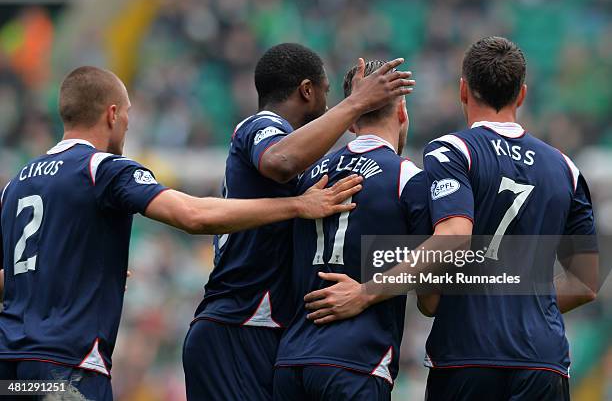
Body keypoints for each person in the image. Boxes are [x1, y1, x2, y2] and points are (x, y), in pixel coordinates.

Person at [0, 66, 365, 400]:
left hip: (11, 367)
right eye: (127, 113)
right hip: (67, 364)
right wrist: (297, 205)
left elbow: (10, 279)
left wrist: (79, 274)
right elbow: (194, 216)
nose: (128, 124)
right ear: (112, 114)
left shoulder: (16, 184)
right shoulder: (102, 169)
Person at [303, 37, 599, 401]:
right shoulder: (566, 168)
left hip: (466, 357)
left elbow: (447, 253)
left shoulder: (452, 152)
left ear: (463, 90)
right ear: (521, 95)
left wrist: (367, 291)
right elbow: (586, 282)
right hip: (544, 361)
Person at [182, 43, 415, 401]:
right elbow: (280, 161)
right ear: (307, 90)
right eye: (326, 93)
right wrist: (356, 102)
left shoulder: (315, 172)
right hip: (239, 322)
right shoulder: (262, 126)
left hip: (276, 340)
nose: (330, 106)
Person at [272, 60, 430, 401]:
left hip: (291, 361)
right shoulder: (409, 178)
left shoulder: (309, 176)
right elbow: (431, 278)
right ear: (402, 111)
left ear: (350, 119)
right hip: (357, 362)